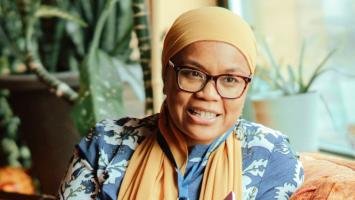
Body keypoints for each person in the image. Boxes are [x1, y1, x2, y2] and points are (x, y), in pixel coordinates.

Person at [58, 6, 304, 200]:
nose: (209, 94)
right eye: (193, 73)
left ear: (246, 87)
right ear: (166, 75)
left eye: (230, 79)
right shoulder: (105, 146)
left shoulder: (271, 155)